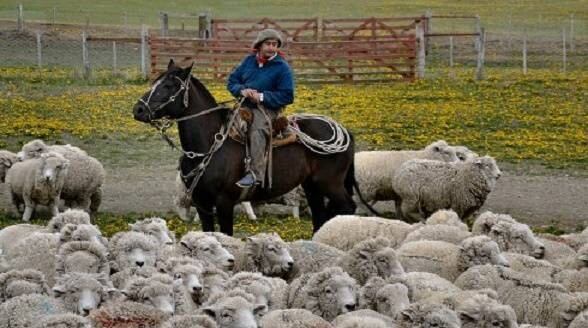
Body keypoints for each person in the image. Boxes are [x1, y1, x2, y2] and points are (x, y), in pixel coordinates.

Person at [227, 28, 295, 188]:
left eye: (275, 44)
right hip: (243, 105)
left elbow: (287, 95)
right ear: (259, 45)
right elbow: (232, 81)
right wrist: (241, 90)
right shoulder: (248, 61)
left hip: (267, 110)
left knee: (257, 131)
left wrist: (262, 96)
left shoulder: (282, 68)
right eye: (268, 44)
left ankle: (254, 174)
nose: (272, 47)